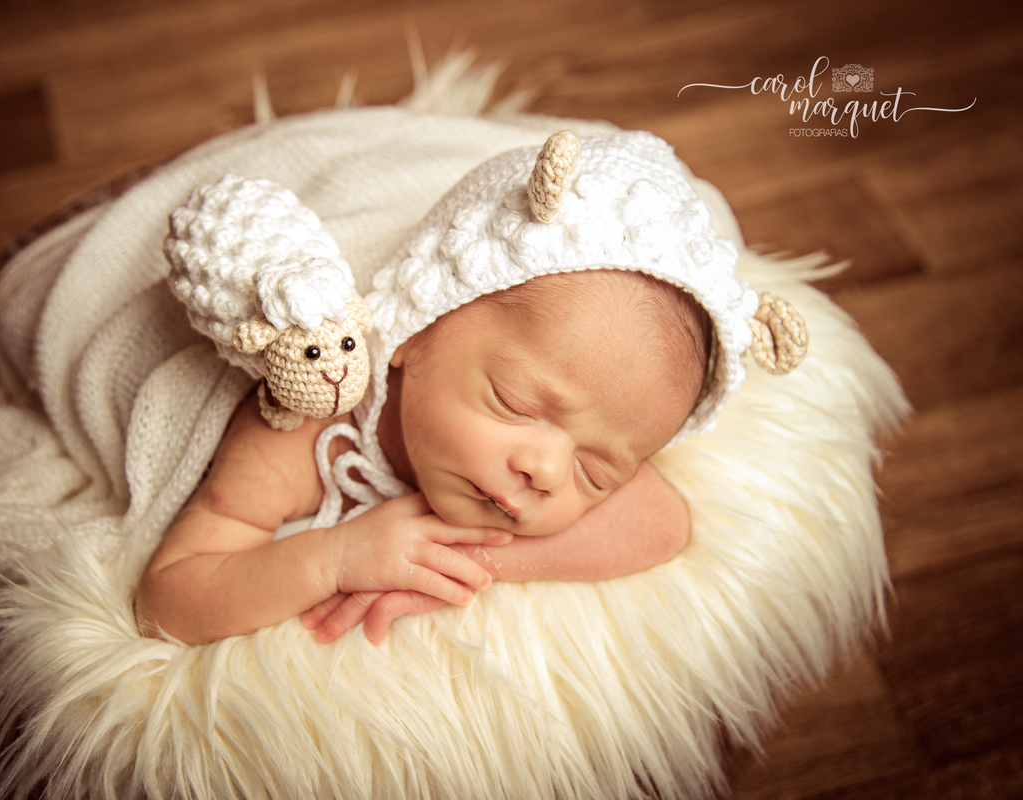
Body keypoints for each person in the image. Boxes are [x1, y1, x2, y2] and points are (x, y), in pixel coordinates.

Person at [135, 130, 799, 647]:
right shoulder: (311, 425)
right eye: (516, 404)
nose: (545, 471)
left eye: (596, 472)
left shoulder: (550, 416)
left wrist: (470, 560)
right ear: (415, 331)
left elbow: (663, 522)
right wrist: (336, 558)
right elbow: (168, 597)